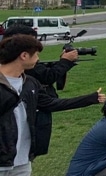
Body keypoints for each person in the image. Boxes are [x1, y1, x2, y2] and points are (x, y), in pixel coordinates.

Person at [0, 34, 105, 176]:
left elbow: (50, 104)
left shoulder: (30, 82)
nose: (38, 58)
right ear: (24, 55)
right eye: (36, 54)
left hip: (22, 161)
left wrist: (90, 99)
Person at [3, 25, 79, 156]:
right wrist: (65, 62)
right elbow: (47, 77)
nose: (37, 56)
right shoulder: (19, 71)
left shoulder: (28, 80)